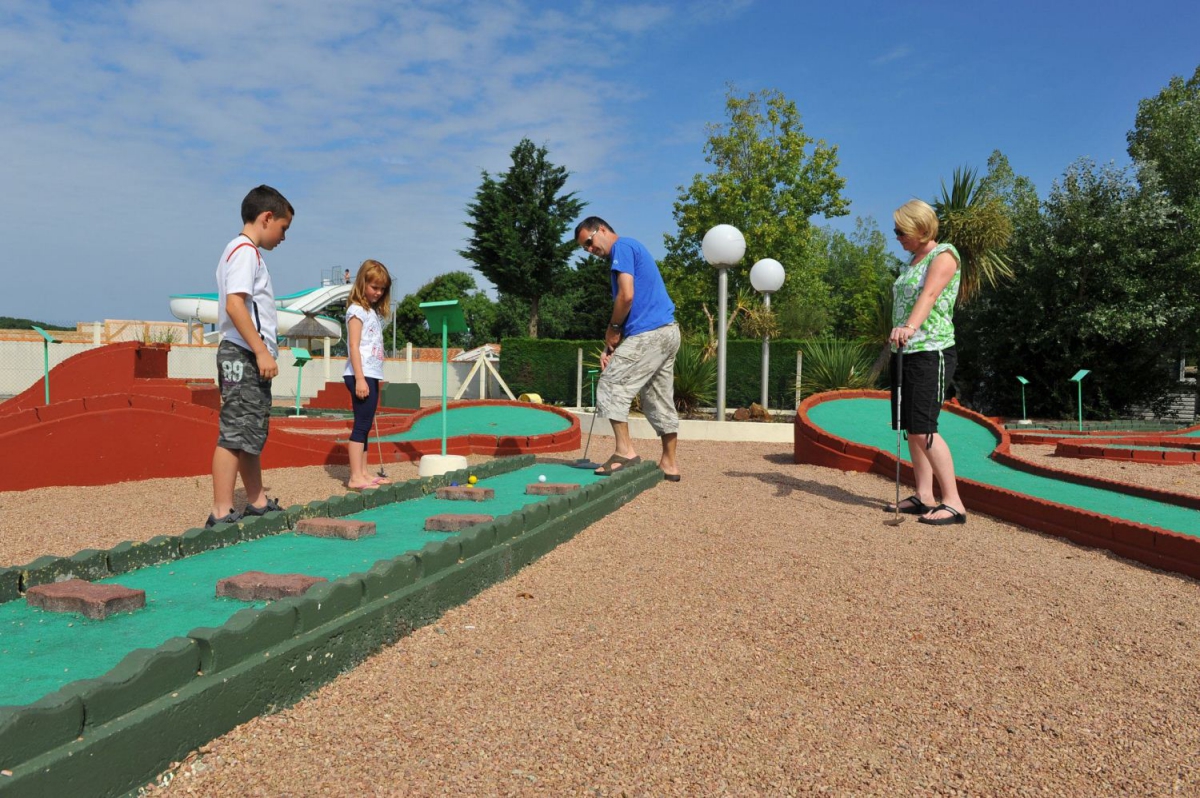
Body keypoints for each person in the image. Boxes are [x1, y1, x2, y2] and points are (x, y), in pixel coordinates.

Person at [208, 185, 293, 528]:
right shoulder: (244, 251)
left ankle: (256, 500)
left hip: (245, 353)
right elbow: (234, 303)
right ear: (266, 218)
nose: (283, 237)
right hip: (243, 353)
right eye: (283, 229)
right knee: (234, 432)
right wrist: (260, 350)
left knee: (249, 432)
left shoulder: (243, 251)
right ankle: (221, 511)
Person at [575, 216, 681, 481]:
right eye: (584, 248)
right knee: (658, 397)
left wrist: (612, 327)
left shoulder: (621, 247)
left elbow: (626, 296)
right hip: (667, 331)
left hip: (650, 334)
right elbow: (635, 309)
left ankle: (625, 452)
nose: (590, 250)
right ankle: (669, 464)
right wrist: (611, 345)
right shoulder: (632, 249)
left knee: (610, 384)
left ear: (601, 230)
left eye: (589, 242)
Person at [885, 199, 967, 525]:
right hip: (906, 351)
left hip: (932, 351)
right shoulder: (912, 261)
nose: (897, 236)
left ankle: (954, 502)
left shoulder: (944, 255)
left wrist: (909, 327)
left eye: (901, 230)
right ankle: (924, 496)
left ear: (921, 228)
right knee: (910, 429)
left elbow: (929, 296)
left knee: (923, 425)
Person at [343, 259, 393, 490]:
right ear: (363, 283)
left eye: (382, 289)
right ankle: (355, 477)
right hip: (359, 374)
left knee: (366, 425)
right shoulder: (356, 311)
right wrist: (361, 378)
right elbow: (354, 346)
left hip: (370, 373)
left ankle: (363, 472)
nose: (378, 292)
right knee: (361, 425)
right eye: (374, 287)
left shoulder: (370, 311)